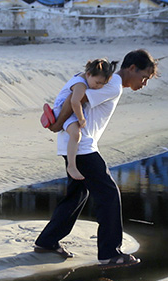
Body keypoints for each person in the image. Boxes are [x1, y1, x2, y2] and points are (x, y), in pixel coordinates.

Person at [34, 49, 158, 268]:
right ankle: (109, 253)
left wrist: (59, 125)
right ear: (131, 68)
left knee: (77, 193)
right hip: (82, 146)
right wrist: (55, 125)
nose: (144, 83)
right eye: (144, 77)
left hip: (73, 143)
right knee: (109, 194)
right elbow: (77, 97)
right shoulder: (112, 84)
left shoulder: (109, 82)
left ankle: (47, 241)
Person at [41, 58, 118, 181]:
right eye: (97, 83)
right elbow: (74, 101)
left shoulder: (86, 78)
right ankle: (71, 166)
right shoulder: (80, 84)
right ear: (88, 74)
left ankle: (73, 164)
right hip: (62, 110)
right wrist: (81, 119)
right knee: (76, 135)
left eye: (103, 85)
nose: (99, 87)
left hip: (70, 109)